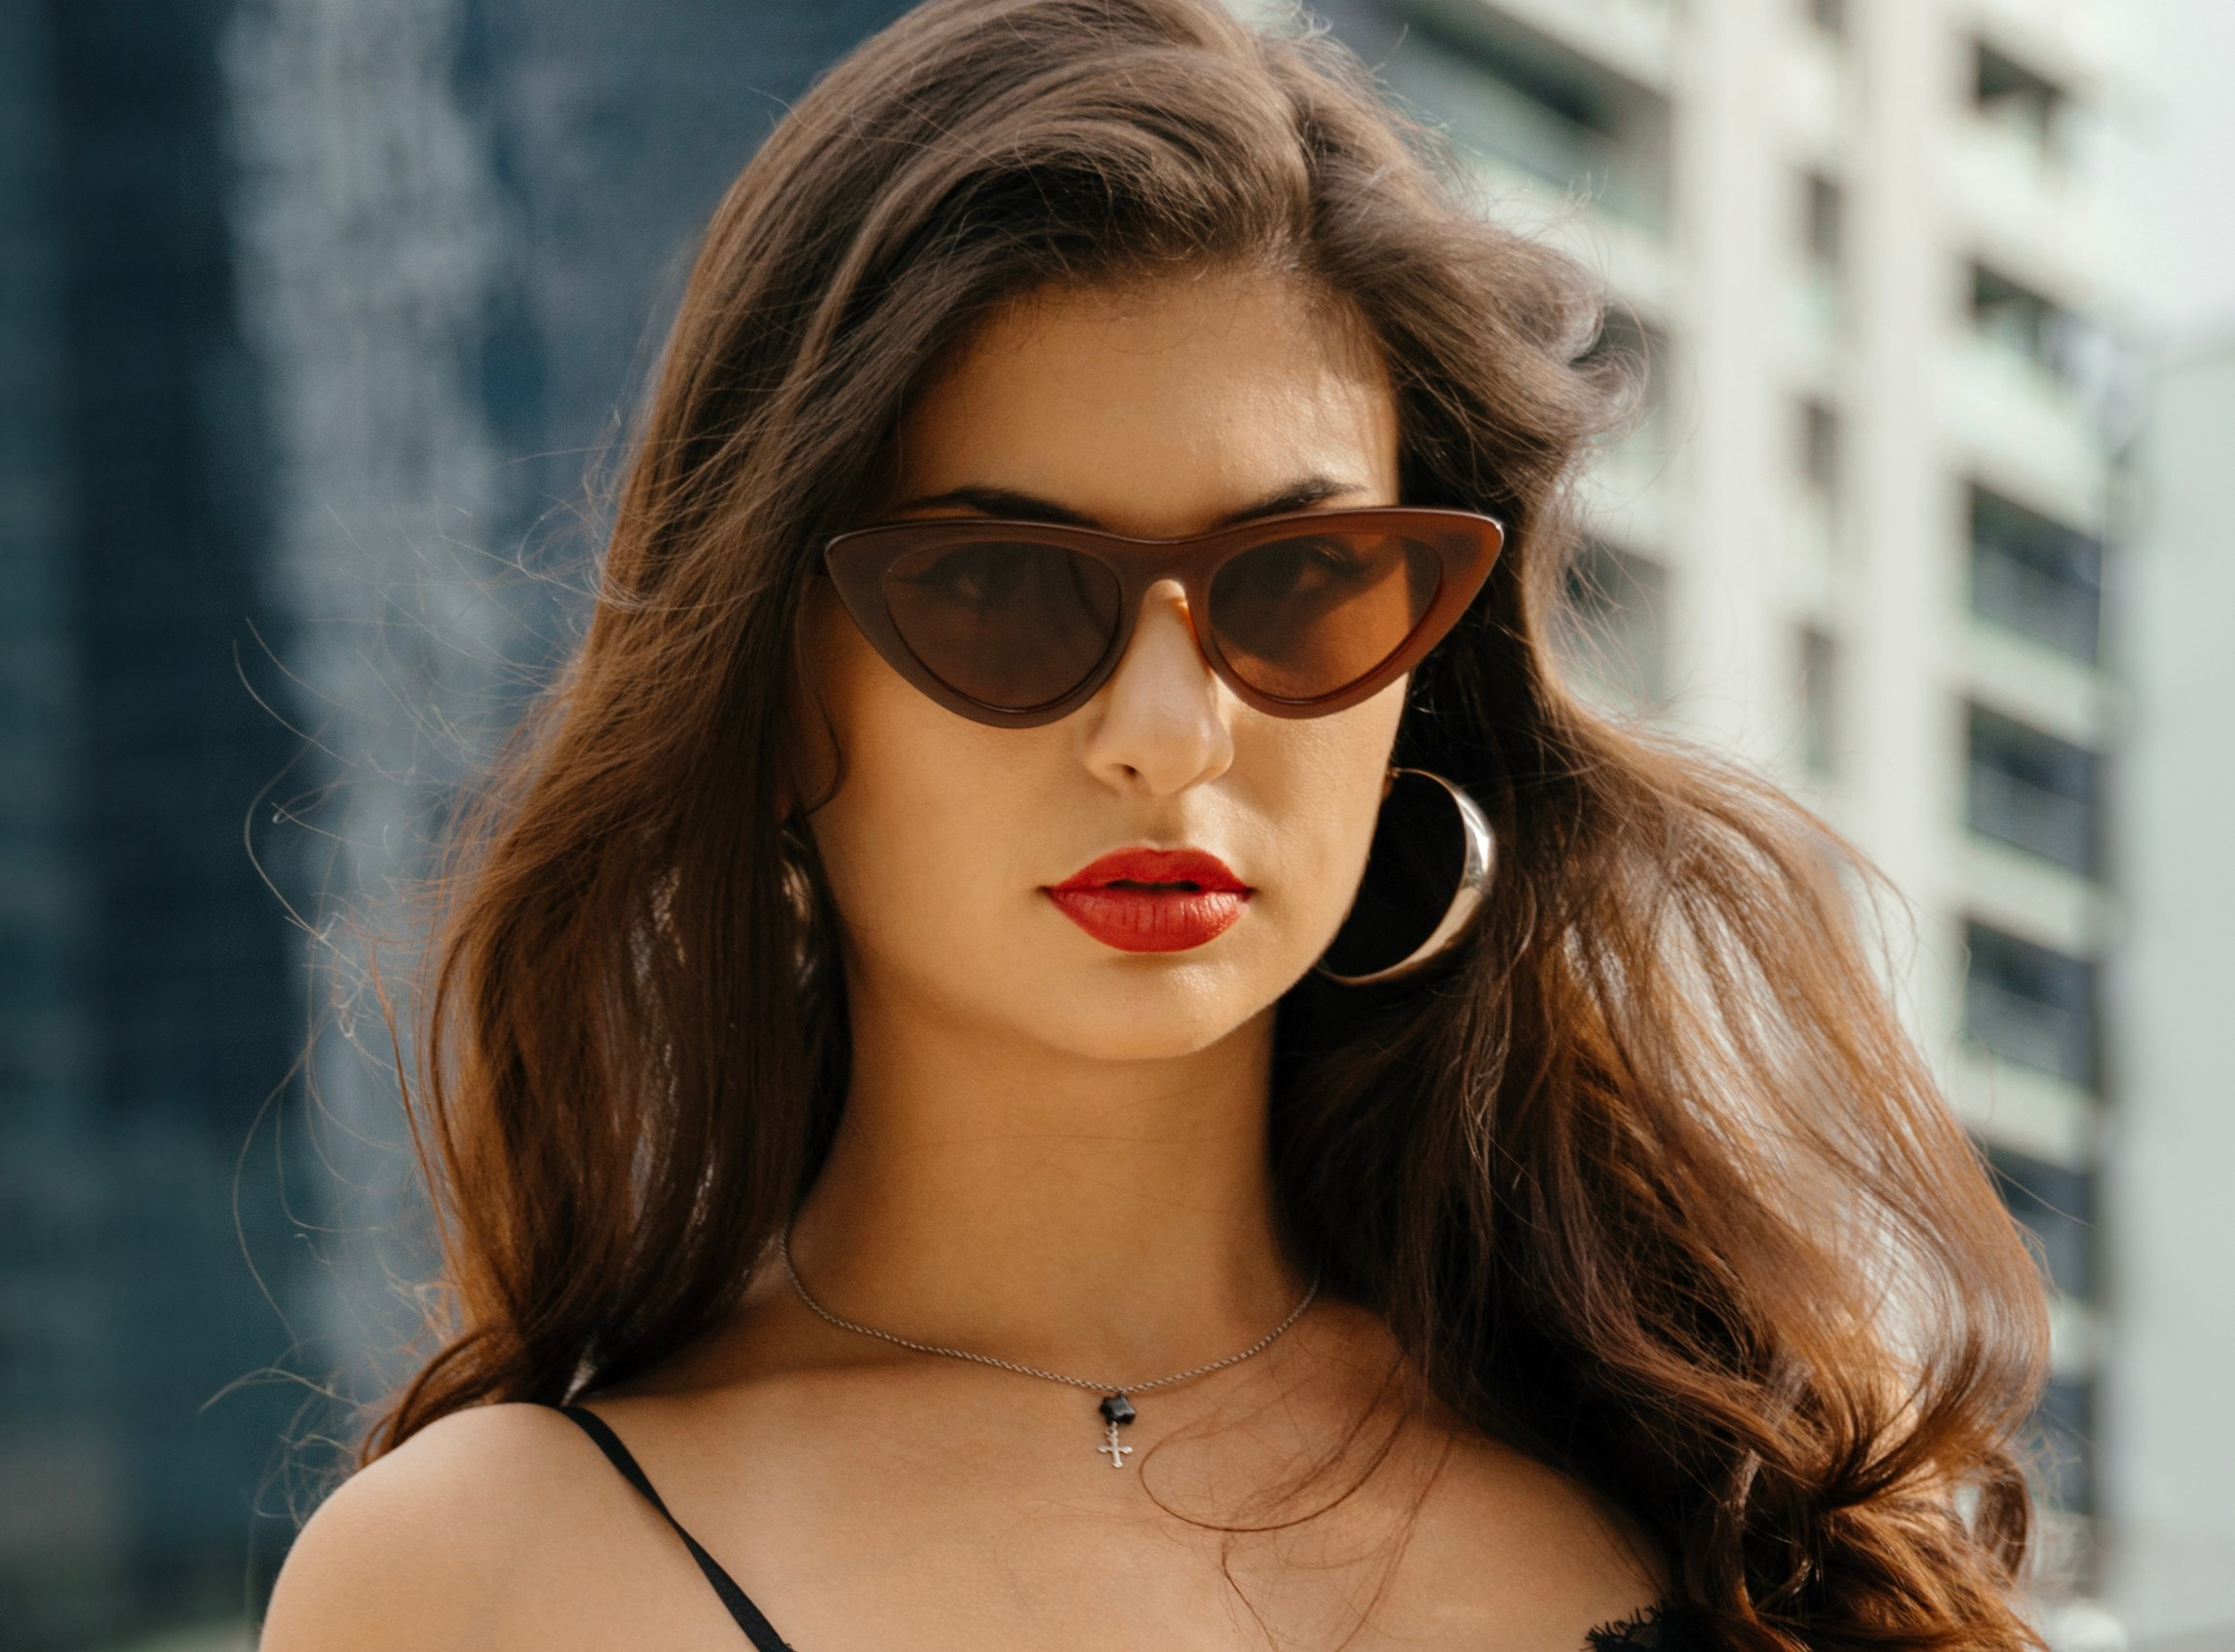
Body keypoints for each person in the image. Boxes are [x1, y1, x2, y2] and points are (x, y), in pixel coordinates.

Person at [259, 3, 2050, 1647]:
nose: (1169, 734)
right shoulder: (484, 1578)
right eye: (1000, 587)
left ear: (1422, 680)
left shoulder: (1730, 1494)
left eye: (1302, 584)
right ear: (775, 680)